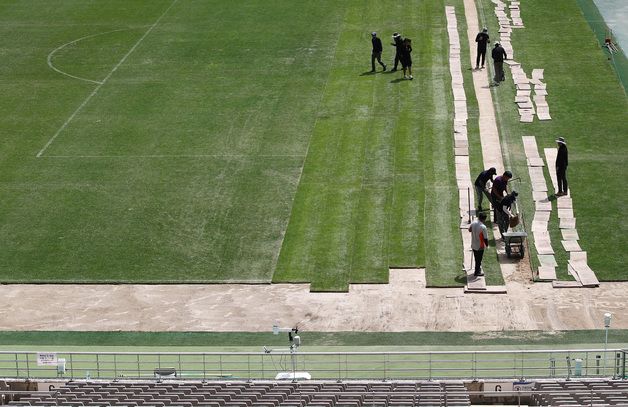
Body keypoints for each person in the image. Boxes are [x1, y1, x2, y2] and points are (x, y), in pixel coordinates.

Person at [468, 212, 489, 277]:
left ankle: (478, 269)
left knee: (476, 258)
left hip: (473, 243)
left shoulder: (473, 223)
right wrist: (487, 245)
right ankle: (477, 272)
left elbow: (469, 230)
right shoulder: (483, 227)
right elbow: (485, 238)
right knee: (479, 259)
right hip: (480, 245)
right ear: (484, 219)